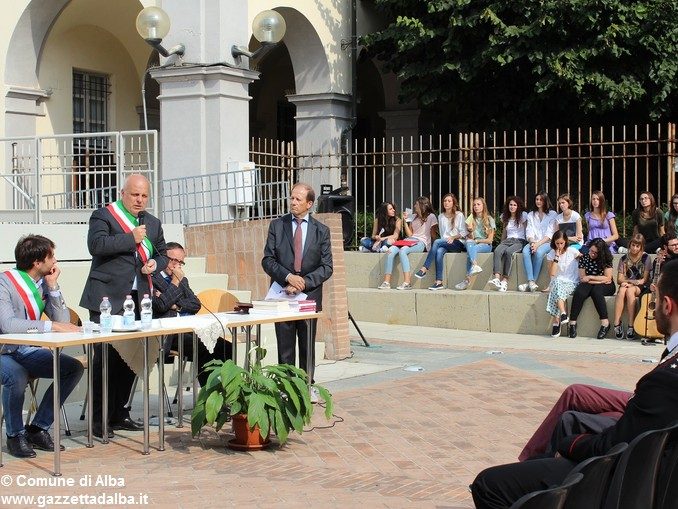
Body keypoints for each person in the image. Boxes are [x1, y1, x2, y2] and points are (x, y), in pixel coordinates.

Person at [472, 258, 678, 509]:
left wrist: (567, 444)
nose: (653, 307)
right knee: (572, 414)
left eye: (655, 301)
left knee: (488, 484)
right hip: (649, 469)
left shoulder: (663, 381)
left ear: (667, 306)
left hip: (627, 482)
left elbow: (613, 444)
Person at [80, 173, 168, 438]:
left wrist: (156, 264)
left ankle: (119, 413)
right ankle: (98, 421)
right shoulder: (104, 215)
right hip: (106, 298)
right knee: (104, 361)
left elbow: (162, 252)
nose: (139, 200)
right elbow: (95, 245)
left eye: (144, 196)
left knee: (129, 360)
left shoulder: (152, 222)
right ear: (123, 193)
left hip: (137, 299)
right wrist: (131, 238)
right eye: (135, 195)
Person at [0, 235, 83, 458]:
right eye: (51, 256)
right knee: (16, 375)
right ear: (38, 262)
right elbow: (7, 325)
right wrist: (50, 325)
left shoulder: (44, 283)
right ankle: (15, 435)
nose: (55, 261)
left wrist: (53, 287)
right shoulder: (4, 283)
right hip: (4, 351)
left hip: (27, 350)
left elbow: (64, 321)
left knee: (72, 368)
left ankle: (37, 428)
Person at [261, 182, 333, 388]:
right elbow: (268, 260)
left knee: (306, 345)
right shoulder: (277, 225)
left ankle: (306, 386)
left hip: (308, 296)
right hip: (282, 294)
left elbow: (327, 267)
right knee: (285, 346)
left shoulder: (321, 231)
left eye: (298, 199)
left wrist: (302, 283)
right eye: (292, 198)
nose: (292, 202)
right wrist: (288, 277)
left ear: (309, 203)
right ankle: (285, 388)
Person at [151, 242, 232, 386]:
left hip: (188, 329)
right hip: (168, 333)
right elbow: (161, 306)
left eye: (180, 262)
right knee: (205, 348)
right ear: (162, 257)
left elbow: (195, 304)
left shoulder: (183, 280)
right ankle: (208, 396)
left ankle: (226, 391)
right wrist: (175, 283)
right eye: (173, 260)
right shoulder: (152, 278)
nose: (177, 265)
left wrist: (175, 305)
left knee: (226, 346)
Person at [377, 196, 437, 290]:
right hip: (410, 240)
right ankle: (386, 282)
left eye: (416, 204)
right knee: (390, 250)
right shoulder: (413, 217)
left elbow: (433, 235)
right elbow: (410, 234)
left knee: (403, 251)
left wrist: (432, 248)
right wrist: (405, 221)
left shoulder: (431, 216)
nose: (414, 206)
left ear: (422, 205)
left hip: (422, 242)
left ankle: (407, 282)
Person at [414, 193, 467, 290]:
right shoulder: (441, 216)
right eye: (445, 201)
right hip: (445, 243)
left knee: (437, 242)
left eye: (449, 201)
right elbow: (443, 235)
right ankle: (439, 282)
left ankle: (424, 268)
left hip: (457, 242)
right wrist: (446, 240)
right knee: (438, 251)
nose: (446, 203)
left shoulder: (459, 215)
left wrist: (453, 237)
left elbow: (464, 232)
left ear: (453, 203)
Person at [566, 238, 615, 339]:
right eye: (591, 251)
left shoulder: (606, 258)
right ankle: (572, 323)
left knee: (596, 292)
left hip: (606, 285)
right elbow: (583, 278)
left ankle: (605, 323)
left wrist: (591, 278)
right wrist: (598, 280)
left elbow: (608, 277)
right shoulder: (584, 258)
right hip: (591, 282)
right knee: (579, 292)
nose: (591, 254)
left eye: (595, 253)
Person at [612, 234, 651, 340]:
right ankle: (617, 323)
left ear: (641, 247)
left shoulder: (646, 258)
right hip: (628, 285)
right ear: (630, 245)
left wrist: (631, 283)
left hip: (641, 287)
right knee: (622, 291)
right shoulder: (624, 258)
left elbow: (644, 280)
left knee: (629, 291)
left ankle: (631, 325)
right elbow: (619, 279)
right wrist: (628, 282)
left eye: (637, 246)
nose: (634, 248)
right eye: (633, 245)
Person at [519, 192, 557, 292]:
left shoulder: (552, 214)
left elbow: (550, 234)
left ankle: (531, 282)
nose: (538, 201)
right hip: (533, 242)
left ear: (545, 201)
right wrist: (532, 243)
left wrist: (538, 244)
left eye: (541, 199)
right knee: (525, 251)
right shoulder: (531, 215)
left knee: (539, 252)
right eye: (537, 199)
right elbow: (529, 231)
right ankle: (531, 281)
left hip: (547, 242)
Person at [488, 196, 528, 292]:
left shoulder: (523, 216)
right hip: (507, 240)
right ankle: (497, 278)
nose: (512, 207)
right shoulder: (505, 216)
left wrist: (528, 244)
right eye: (510, 205)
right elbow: (504, 232)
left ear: (518, 206)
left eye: (515, 205)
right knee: (497, 251)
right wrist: (501, 243)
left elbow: (527, 230)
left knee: (509, 252)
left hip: (520, 240)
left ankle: (505, 281)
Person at [545, 231, 581, 338]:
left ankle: (557, 321)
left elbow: (584, 259)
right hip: (558, 281)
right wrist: (556, 256)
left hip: (572, 282)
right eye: (557, 243)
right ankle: (563, 314)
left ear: (565, 242)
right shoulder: (551, 255)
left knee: (556, 288)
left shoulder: (573, 251)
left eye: (562, 243)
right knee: (556, 284)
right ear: (554, 243)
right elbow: (552, 273)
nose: (560, 246)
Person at [454, 197, 495, 291]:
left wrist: (477, 241)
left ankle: (467, 280)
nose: (476, 206)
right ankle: (474, 266)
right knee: (469, 243)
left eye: (478, 204)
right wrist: (470, 231)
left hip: (485, 245)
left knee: (471, 249)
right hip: (473, 243)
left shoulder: (489, 219)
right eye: (474, 205)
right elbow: (469, 237)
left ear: (483, 206)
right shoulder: (471, 218)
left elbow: (490, 240)